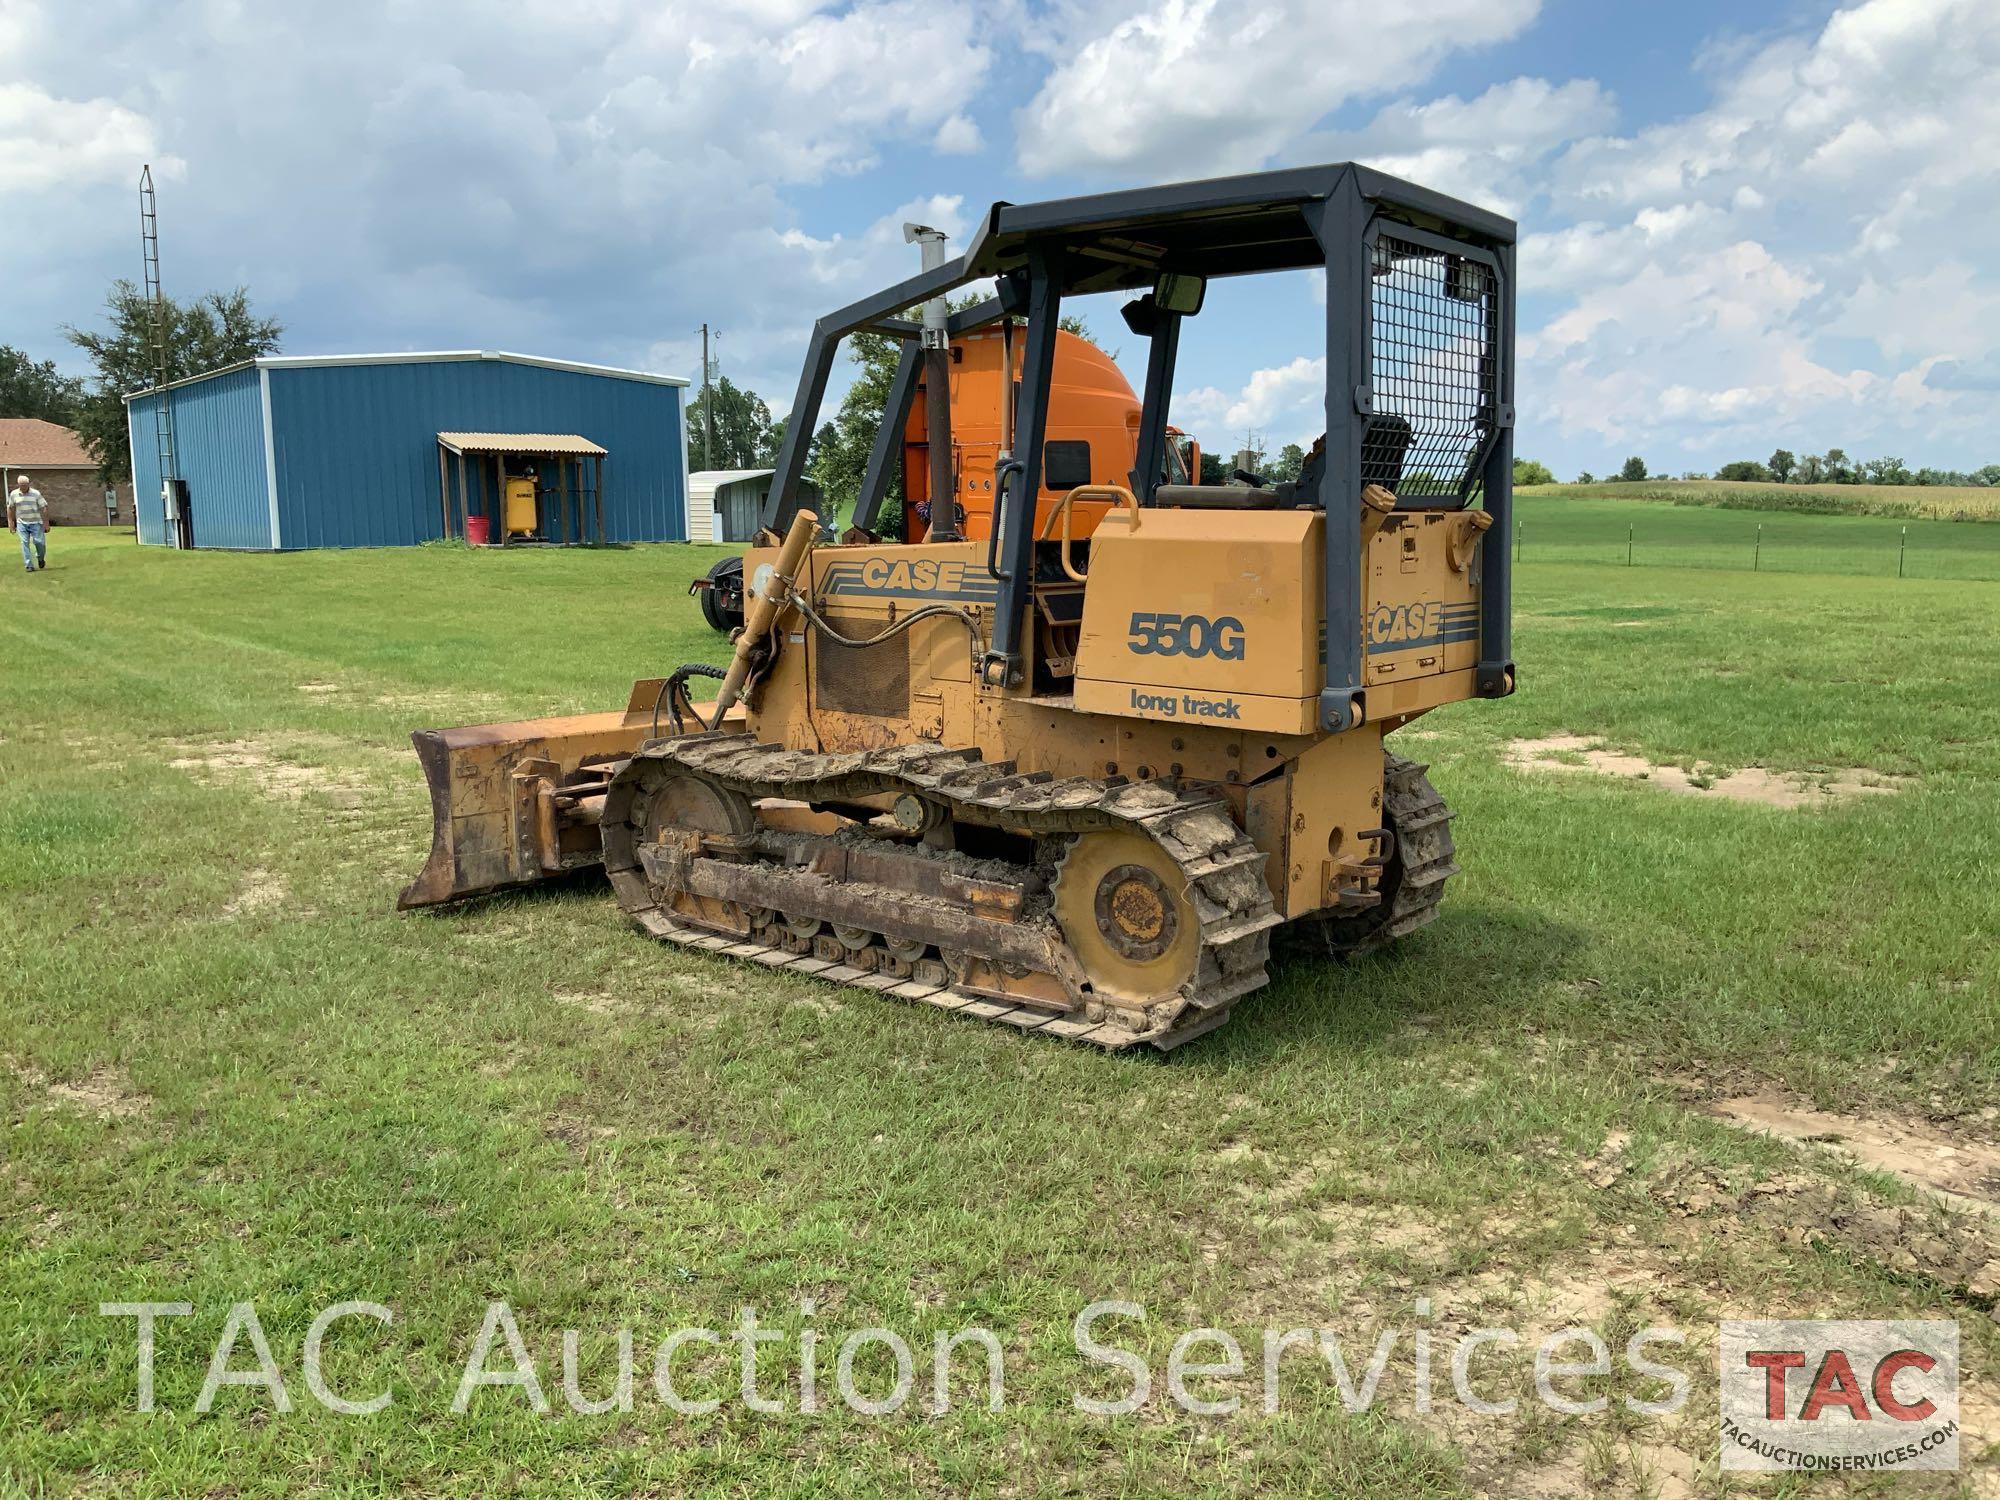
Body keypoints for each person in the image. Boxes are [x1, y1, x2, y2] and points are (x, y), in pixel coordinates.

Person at [9, 474, 48, 573]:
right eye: (22, 485)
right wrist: (11, 522)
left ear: (28, 484)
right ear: (18, 484)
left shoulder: (36, 493)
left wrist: (46, 523)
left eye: (25, 485)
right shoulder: (14, 494)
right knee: (24, 543)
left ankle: (40, 558)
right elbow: (10, 507)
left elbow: (44, 507)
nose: (24, 487)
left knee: (40, 543)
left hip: (36, 522)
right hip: (21, 522)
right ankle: (29, 565)